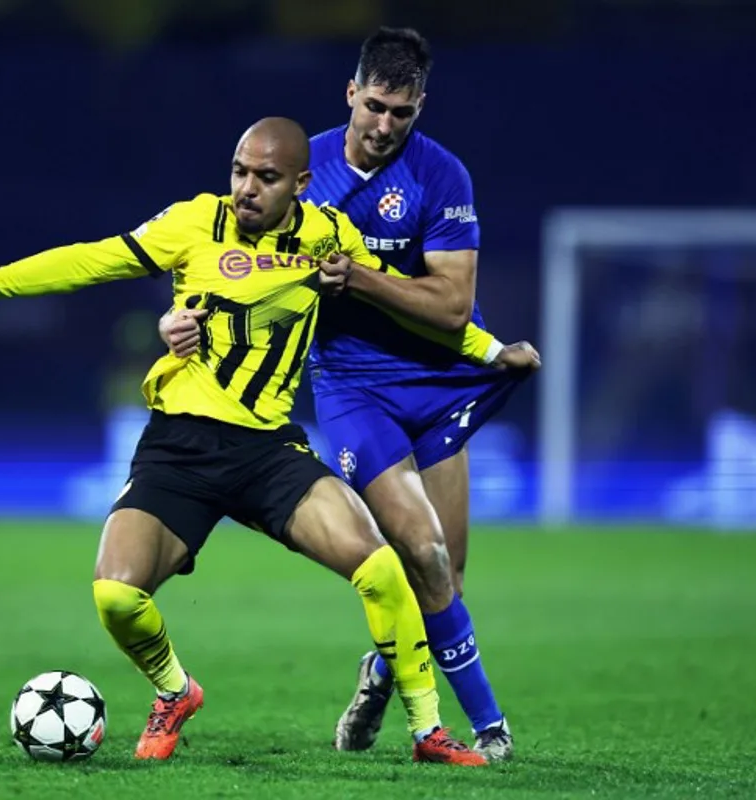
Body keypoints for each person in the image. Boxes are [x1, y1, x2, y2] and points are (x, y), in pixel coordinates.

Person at [0, 117, 508, 766]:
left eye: (266, 178)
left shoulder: (330, 236)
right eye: (239, 172)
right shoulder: (193, 222)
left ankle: (428, 733)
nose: (247, 188)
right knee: (115, 595)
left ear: (301, 184)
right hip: (180, 448)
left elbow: (397, 302)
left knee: (383, 566)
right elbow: (89, 259)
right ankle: (174, 690)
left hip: (269, 451)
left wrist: (494, 350)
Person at [158, 29, 540, 761]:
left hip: (440, 383)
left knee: (446, 577)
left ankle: (380, 670)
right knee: (421, 551)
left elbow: (453, 309)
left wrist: (365, 281)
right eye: (374, 107)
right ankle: (491, 731)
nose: (385, 125)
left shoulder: (442, 177)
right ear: (350, 95)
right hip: (353, 387)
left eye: (402, 112)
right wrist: (178, 318)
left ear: (420, 106)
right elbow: (224, 262)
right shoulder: (302, 168)